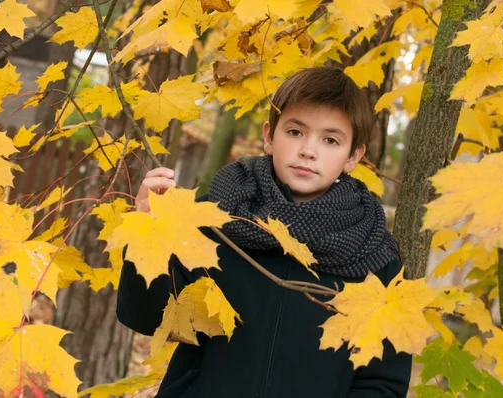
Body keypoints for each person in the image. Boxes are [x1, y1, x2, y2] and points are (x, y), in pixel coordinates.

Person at [117, 67, 412, 398]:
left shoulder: (372, 253)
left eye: (330, 140)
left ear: (353, 156)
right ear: (270, 136)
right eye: (295, 132)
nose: (309, 150)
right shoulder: (214, 215)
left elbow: (382, 383)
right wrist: (146, 233)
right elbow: (148, 318)